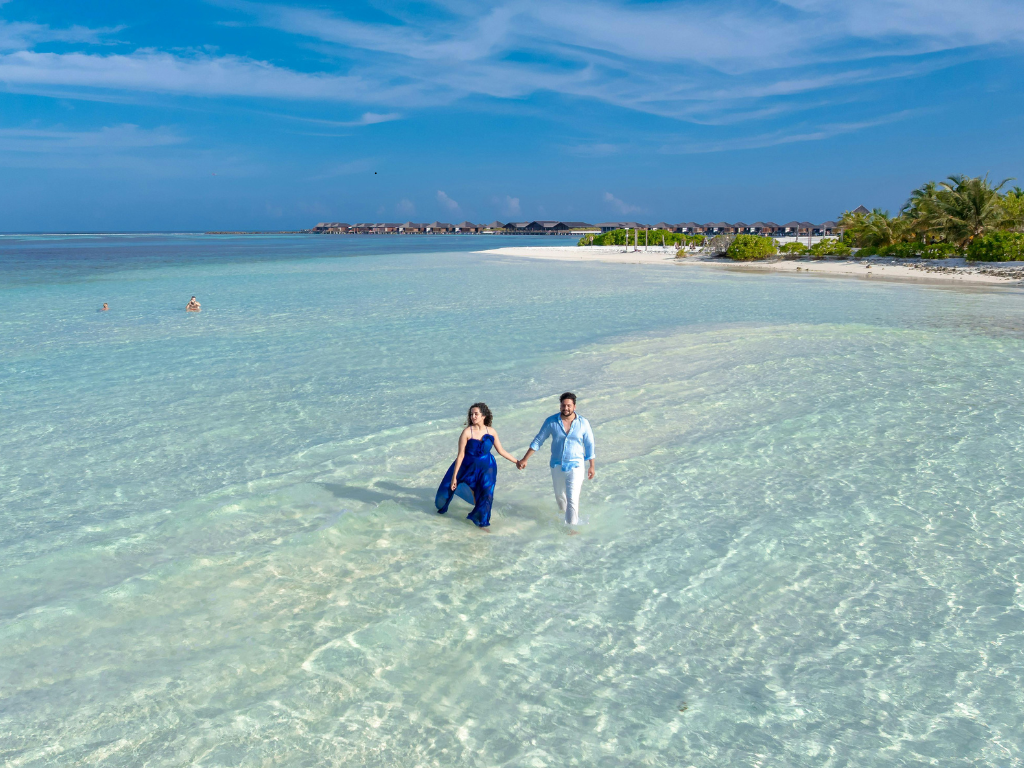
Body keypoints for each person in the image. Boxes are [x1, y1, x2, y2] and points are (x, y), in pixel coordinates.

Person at [435, 403, 518, 528]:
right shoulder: (467, 432)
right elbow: (461, 456)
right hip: (468, 467)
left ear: (483, 415)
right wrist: (454, 477)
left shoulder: (491, 431)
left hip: (487, 467)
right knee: (454, 491)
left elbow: (501, 451)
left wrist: (517, 461)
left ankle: (482, 523)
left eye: (476, 414)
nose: (473, 416)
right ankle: (477, 518)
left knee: (487, 494)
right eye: (471, 414)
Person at [518, 392, 595, 526]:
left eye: (569, 406)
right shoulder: (551, 422)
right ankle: (565, 520)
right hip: (557, 465)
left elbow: (589, 445)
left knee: (572, 498)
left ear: (574, 406)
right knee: (560, 497)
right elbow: (538, 440)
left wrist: (591, 466)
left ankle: (571, 528)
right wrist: (525, 459)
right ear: (560, 406)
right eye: (563, 405)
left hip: (576, 465)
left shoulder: (583, 423)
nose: (566, 408)